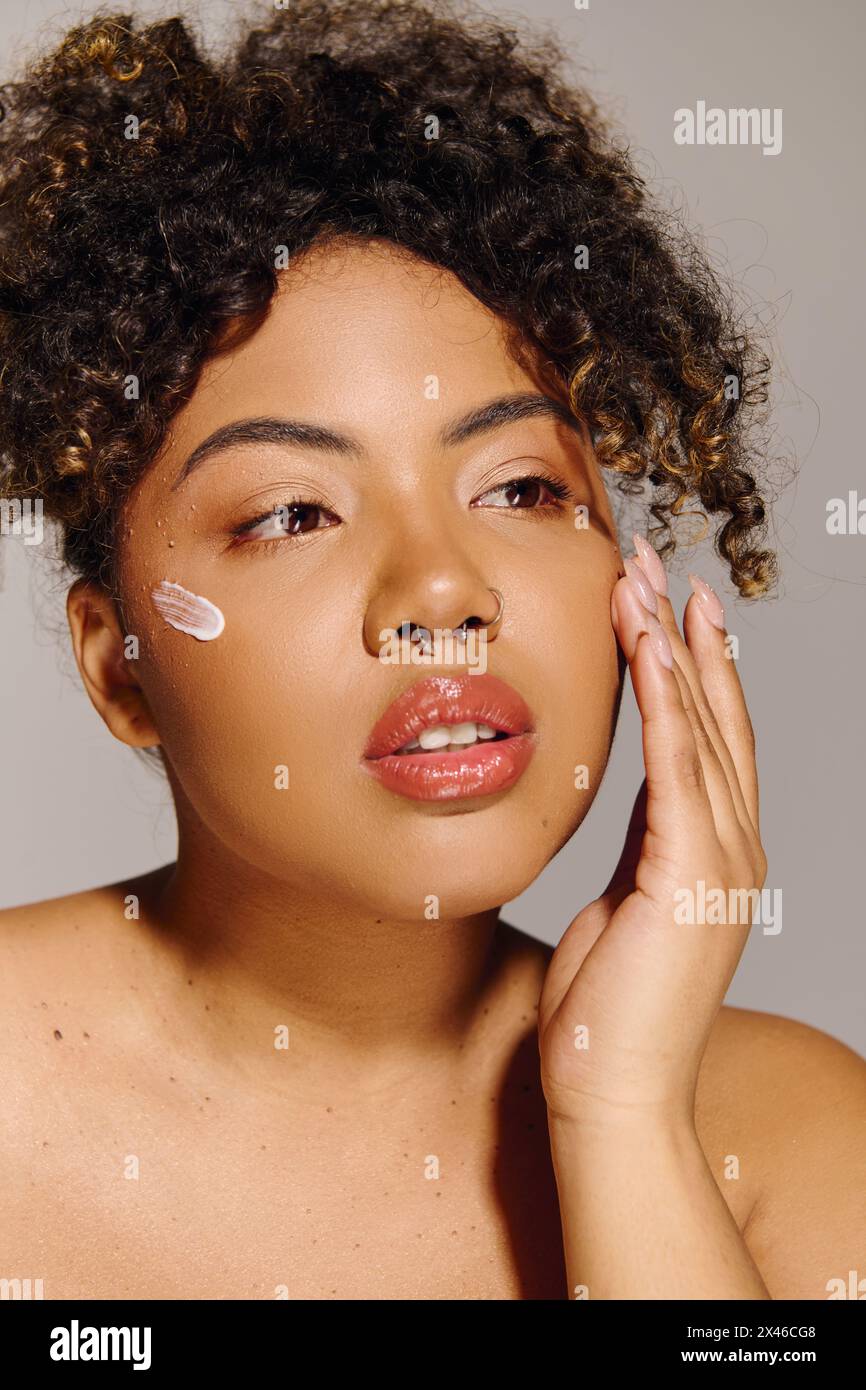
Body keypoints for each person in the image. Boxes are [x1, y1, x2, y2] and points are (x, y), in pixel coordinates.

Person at [0, 0, 863, 1300]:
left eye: (517, 489)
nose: (442, 589)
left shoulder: (789, 1130)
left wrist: (621, 1114)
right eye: (294, 512)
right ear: (120, 661)